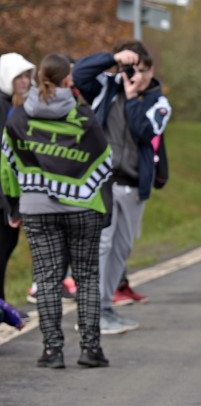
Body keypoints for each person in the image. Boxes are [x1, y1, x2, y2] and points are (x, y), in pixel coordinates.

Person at [2, 54, 113, 367]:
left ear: (39, 79)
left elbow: (7, 165)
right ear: (68, 80)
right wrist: (104, 206)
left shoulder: (19, 117)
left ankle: (52, 351)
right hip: (82, 206)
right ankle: (91, 350)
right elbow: (104, 161)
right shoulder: (83, 117)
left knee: (47, 278)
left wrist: (14, 205)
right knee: (86, 277)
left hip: (37, 208)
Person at [74, 40, 170, 335]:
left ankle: (105, 307)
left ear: (151, 70)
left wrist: (132, 99)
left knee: (121, 249)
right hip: (102, 182)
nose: (136, 76)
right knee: (102, 246)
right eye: (131, 69)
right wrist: (112, 59)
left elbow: (144, 132)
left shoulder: (159, 103)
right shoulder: (106, 86)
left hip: (133, 185)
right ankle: (91, 312)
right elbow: (79, 73)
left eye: (142, 70)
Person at [0, 52, 34, 309]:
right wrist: (9, 205)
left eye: (27, 76)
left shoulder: (14, 105)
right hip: (3, 197)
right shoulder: (2, 107)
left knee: (6, 250)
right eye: (18, 76)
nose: (25, 81)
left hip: (11, 194)